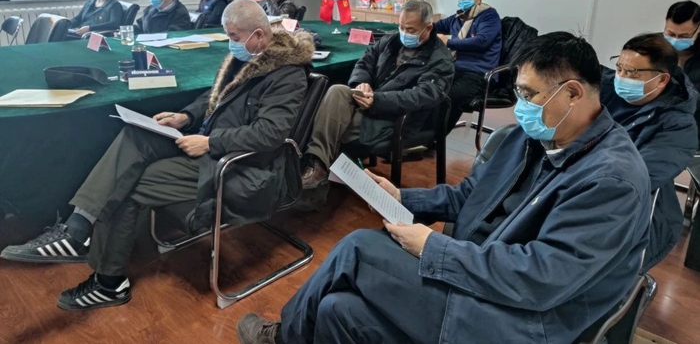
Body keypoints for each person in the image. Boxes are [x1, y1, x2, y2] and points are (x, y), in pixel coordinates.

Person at [237, 32, 651, 344]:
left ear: (573, 93)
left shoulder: (611, 180)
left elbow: (540, 279)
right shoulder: (528, 139)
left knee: (358, 249)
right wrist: (402, 197)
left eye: (528, 94)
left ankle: (282, 338)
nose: (521, 105)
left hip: (521, 321)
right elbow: (470, 196)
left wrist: (435, 249)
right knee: (335, 310)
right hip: (483, 279)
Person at [0, 0, 315, 310]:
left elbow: (270, 134)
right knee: (135, 134)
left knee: (128, 181)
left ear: (258, 35)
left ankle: (108, 282)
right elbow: (215, 96)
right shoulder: (249, 57)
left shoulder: (287, 74)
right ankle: (78, 228)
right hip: (211, 146)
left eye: (234, 37)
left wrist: (210, 143)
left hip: (237, 167)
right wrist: (186, 116)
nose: (231, 43)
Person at [298, 0, 454, 210]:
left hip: (397, 117)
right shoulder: (391, 41)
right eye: (401, 27)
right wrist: (361, 83)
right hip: (370, 102)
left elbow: (421, 96)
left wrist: (378, 100)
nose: (404, 33)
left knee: (328, 124)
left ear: (428, 28)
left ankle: (315, 179)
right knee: (337, 91)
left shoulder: (440, 60)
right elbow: (365, 62)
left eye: (410, 29)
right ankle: (318, 165)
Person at [601, 33, 697, 271]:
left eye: (632, 73)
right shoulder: (603, 88)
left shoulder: (678, 126)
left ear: (662, 79)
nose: (621, 77)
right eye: (619, 68)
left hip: (628, 210)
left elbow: (633, 179)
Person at [433, 0, 502, 131]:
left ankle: (433, 139)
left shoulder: (489, 16)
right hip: (453, 68)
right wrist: (415, 27)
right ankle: (415, 135)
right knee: (428, 89)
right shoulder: (458, 17)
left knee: (449, 98)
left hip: (477, 73)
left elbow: (481, 41)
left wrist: (448, 42)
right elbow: (434, 27)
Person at [663, 0, 700, 138]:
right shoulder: (651, 48)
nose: (675, 40)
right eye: (670, 34)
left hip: (693, 132)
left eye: (684, 36)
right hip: (657, 127)